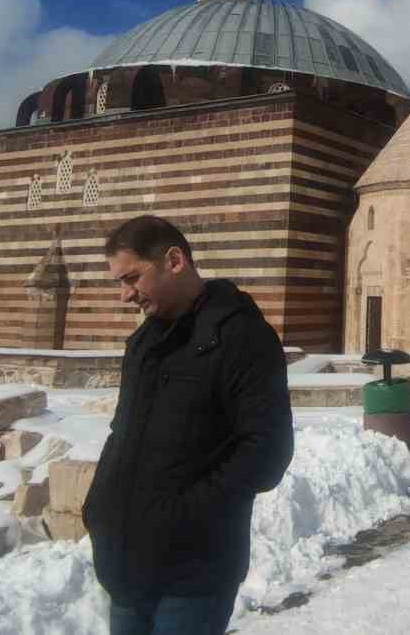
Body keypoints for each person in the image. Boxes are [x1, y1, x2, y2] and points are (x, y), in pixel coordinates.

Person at [83, 215, 294, 635]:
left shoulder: (243, 338)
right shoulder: (144, 342)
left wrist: (178, 518)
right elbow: (122, 433)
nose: (125, 296)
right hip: (125, 565)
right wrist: (99, 507)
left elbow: (265, 452)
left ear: (174, 260)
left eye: (131, 279)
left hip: (194, 574)